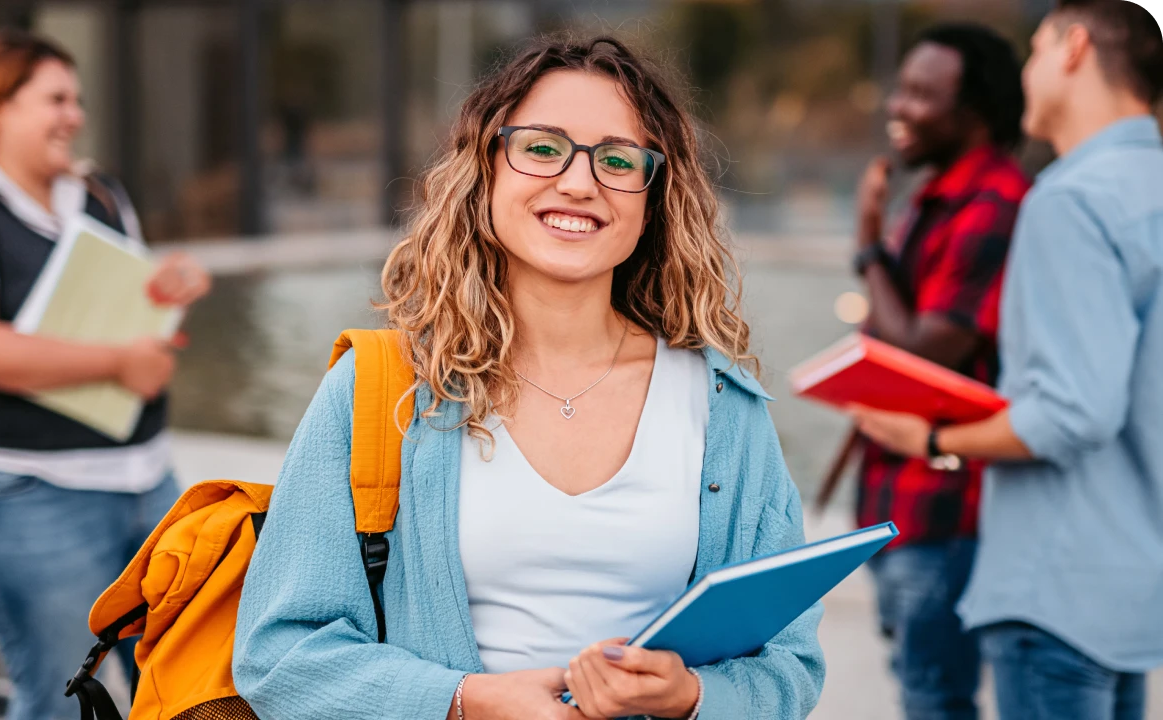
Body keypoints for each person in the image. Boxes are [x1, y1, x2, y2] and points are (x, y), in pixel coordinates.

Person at [234, 36, 824, 720]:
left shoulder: (723, 408)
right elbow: (279, 656)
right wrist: (462, 701)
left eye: (617, 159)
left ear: (654, 195)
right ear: (486, 170)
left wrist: (694, 696)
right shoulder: (379, 389)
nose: (579, 183)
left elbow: (790, 665)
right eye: (542, 148)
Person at [853, 2, 1163, 719]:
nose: (1025, 73)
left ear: (1074, 47)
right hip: (1130, 588)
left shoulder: (1070, 200)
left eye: (1034, 51)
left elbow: (1070, 413)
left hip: (1054, 588)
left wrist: (930, 440)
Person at [0, 30, 210, 720]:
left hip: (146, 481)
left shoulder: (101, 195)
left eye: (78, 100)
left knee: (188, 691)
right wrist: (119, 362)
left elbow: (131, 313)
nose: (75, 115)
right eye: (56, 99)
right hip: (27, 491)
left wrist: (168, 289)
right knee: (58, 700)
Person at [850, 23, 1030, 720]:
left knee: (934, 698)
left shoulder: (992, 206)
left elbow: (924, 354)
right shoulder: (936, 201)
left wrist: (868, 250)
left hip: (945, 506)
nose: (899, 105)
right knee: (923, 689)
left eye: (923, 94)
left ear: (974, 111)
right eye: (902, 87)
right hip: (905, 498)